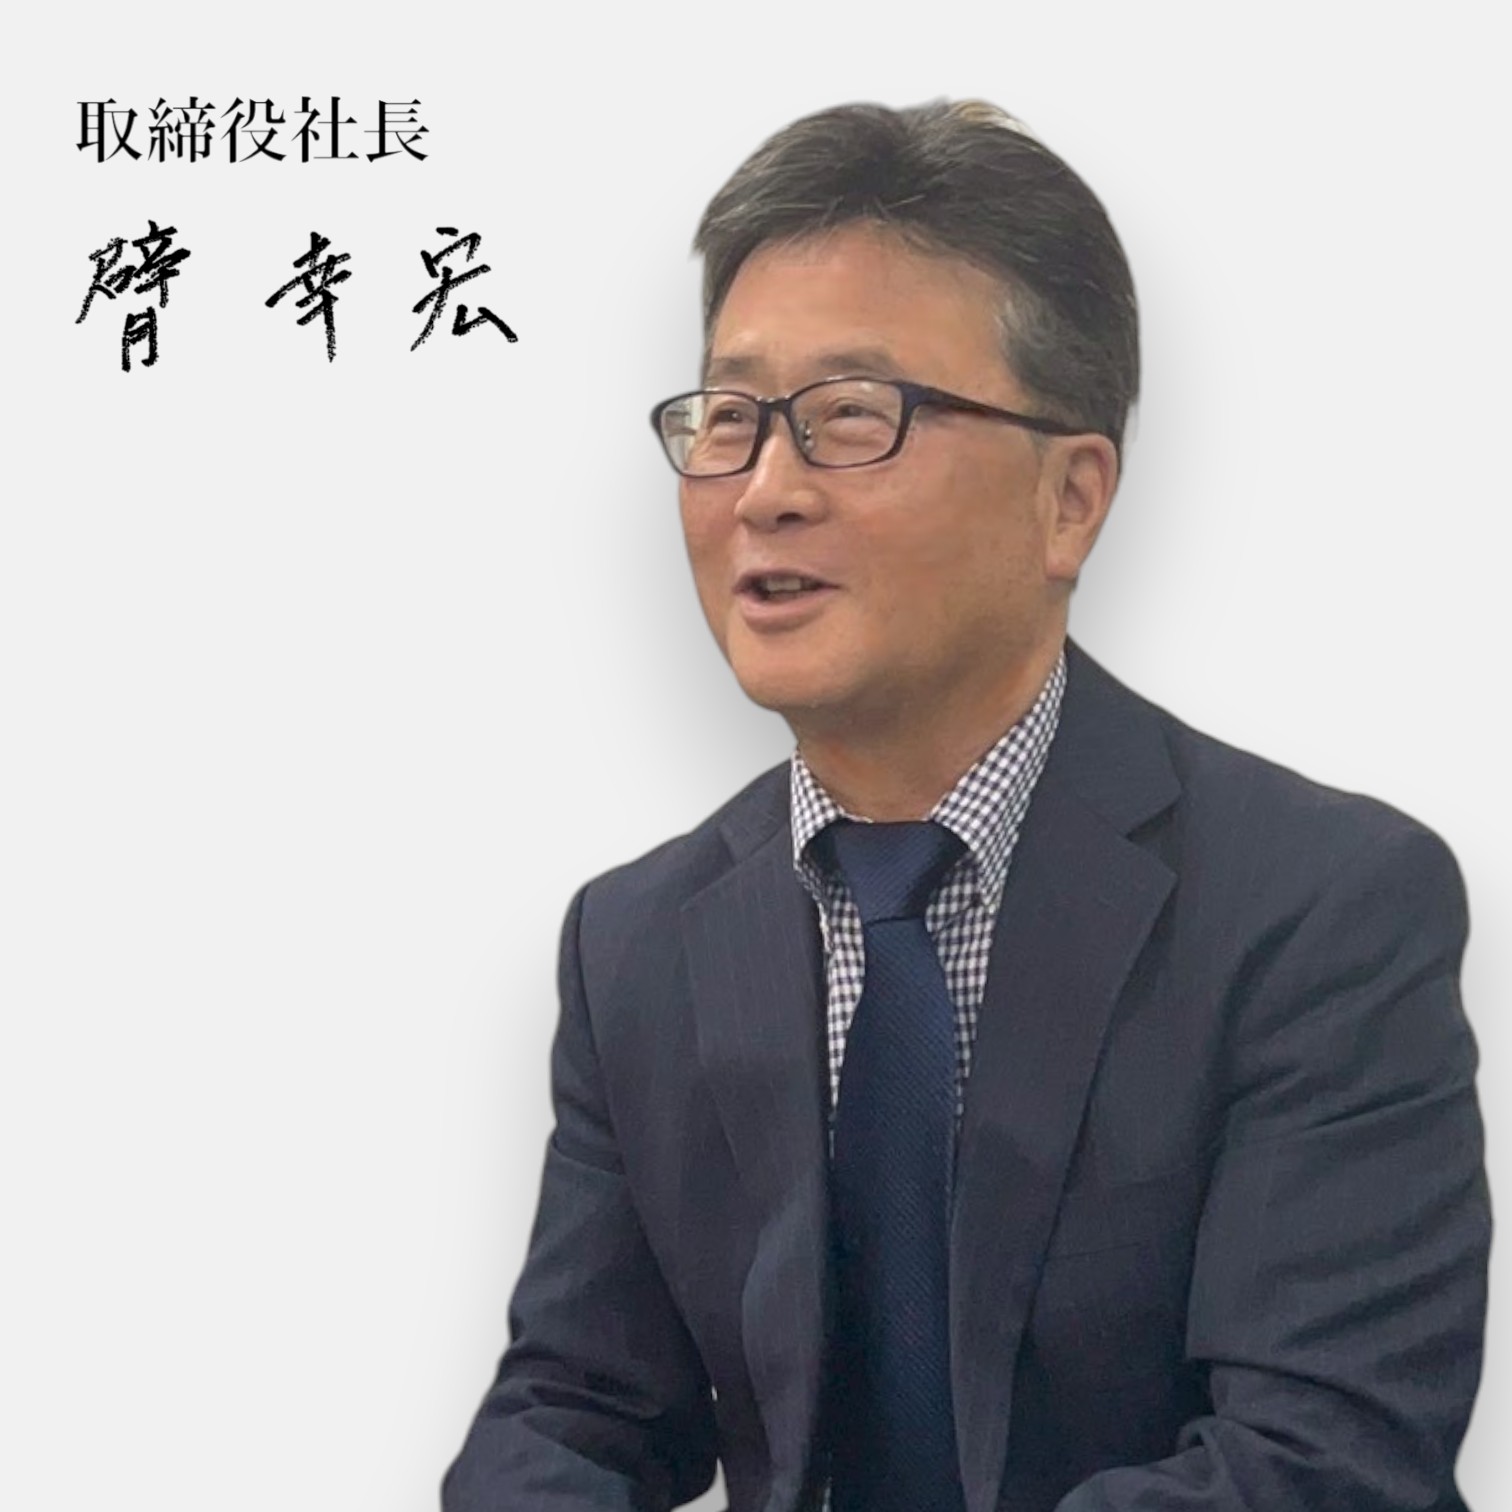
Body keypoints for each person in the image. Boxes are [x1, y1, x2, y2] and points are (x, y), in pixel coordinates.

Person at [441, 100, 1490, 1512]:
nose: (764, 490)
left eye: (851, 418)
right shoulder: (637, 939)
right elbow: (571, 1410)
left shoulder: (1318, 910)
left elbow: (1322, 1458)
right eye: (731, 419)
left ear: (1071, 499)